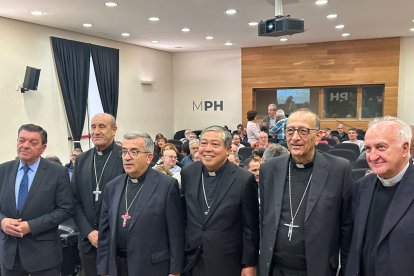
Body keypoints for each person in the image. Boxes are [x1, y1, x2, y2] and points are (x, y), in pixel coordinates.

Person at [259, 109, 354, 276]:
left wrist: (346, 270)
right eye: (290, 130)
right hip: (274, 268)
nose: (295, 137)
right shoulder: (269, 169)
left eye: (303, 131)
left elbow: (347, 227)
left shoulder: (339, 169)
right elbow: (263, 219)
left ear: (317, 137)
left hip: (317, 269)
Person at [97, 131, 184, 276]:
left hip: (151, 267)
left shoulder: (166, 186)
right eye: (124, 152)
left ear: (149, 157)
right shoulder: (112, 186)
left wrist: (175, 271)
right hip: (117, 267)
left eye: (134, 152)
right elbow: (105, 233)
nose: (127, 157)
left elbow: (176, 234)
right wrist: (104, 269)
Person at [181, 125, 259, 276]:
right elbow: (183, 216)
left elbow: (250, 227)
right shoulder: (188, 172)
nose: (207, 149)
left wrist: (249, 263)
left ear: (228, 149)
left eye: (215, 144)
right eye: (203, 143)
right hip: (191, 259)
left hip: (227, 261)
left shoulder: (243, 179)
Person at [0, 124, 73, 275]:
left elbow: (65, 209)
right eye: (22, 140)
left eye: (33, 142)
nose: (25, 146)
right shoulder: (3, 170)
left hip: (44, 257)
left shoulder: (57, 172)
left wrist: (31, 226)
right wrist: (2, 221)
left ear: (43, 148)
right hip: (9, 256)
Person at [345, 116, 414, 276]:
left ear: (405, 148)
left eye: (381, 147)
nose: (372, 156)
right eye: (368, 149)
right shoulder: (360, 187)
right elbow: (351, 245)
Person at [72, 113, 124, 276]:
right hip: (88, 241)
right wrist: (89, 232)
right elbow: (74, 201)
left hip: (118, 241)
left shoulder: (124, 157)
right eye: (93, 127)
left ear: (114, 130)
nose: (96, 131)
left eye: (102, 126)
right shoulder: (82, 160)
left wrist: (106, 233)